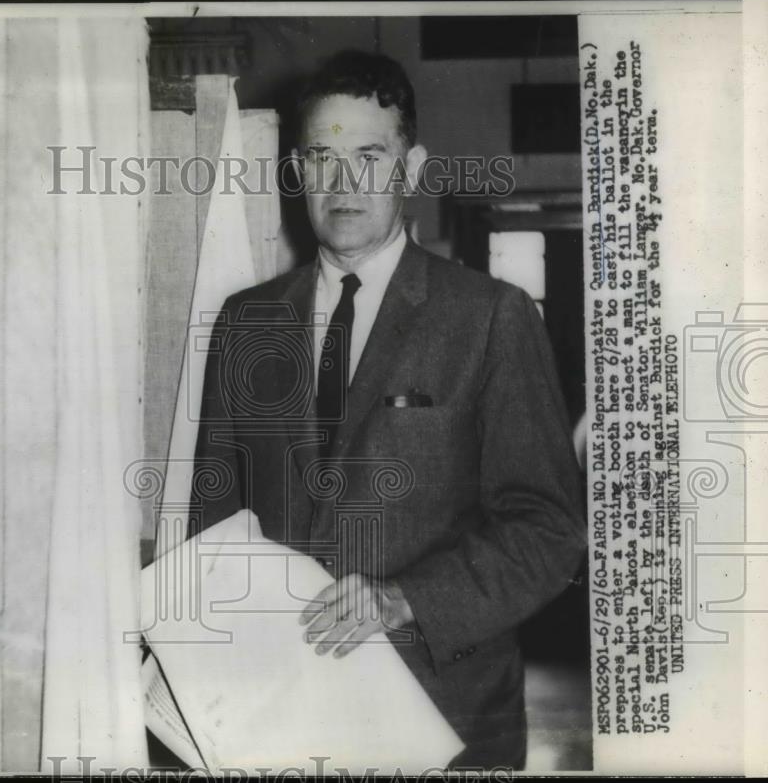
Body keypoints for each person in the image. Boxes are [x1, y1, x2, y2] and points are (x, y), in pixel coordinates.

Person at [191, 49, 586, 770]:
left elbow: (550, 531)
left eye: (369, 157)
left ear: (412, 168)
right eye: (322, 158)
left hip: (443, 714)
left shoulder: (489, 317)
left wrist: (406, 598)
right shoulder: (246, 322)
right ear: (297, 171)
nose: (343, 184)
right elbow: (211, 528)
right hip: (280, 721)